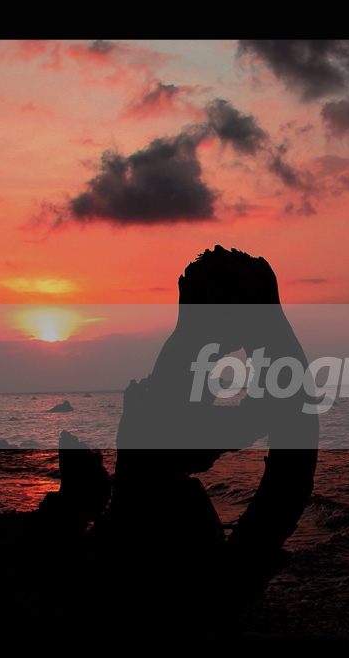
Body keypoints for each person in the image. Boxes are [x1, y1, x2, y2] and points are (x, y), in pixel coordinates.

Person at [91, 245, 319, 635]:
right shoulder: (162, 400)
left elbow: (206, 435)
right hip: (153, 571)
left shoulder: (167, 380)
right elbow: (197, 442)